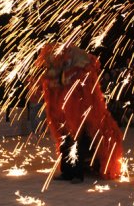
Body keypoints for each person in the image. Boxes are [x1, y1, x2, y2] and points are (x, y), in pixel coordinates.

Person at [36, 44, 123, 183]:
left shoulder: (79, 67)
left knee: (78, 142)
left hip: (79, 111)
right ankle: (67, 171)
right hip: (61, 111)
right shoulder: (57, 68)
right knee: (65, 141)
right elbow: (50, 84)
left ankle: (77, 173)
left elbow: (79, 85)